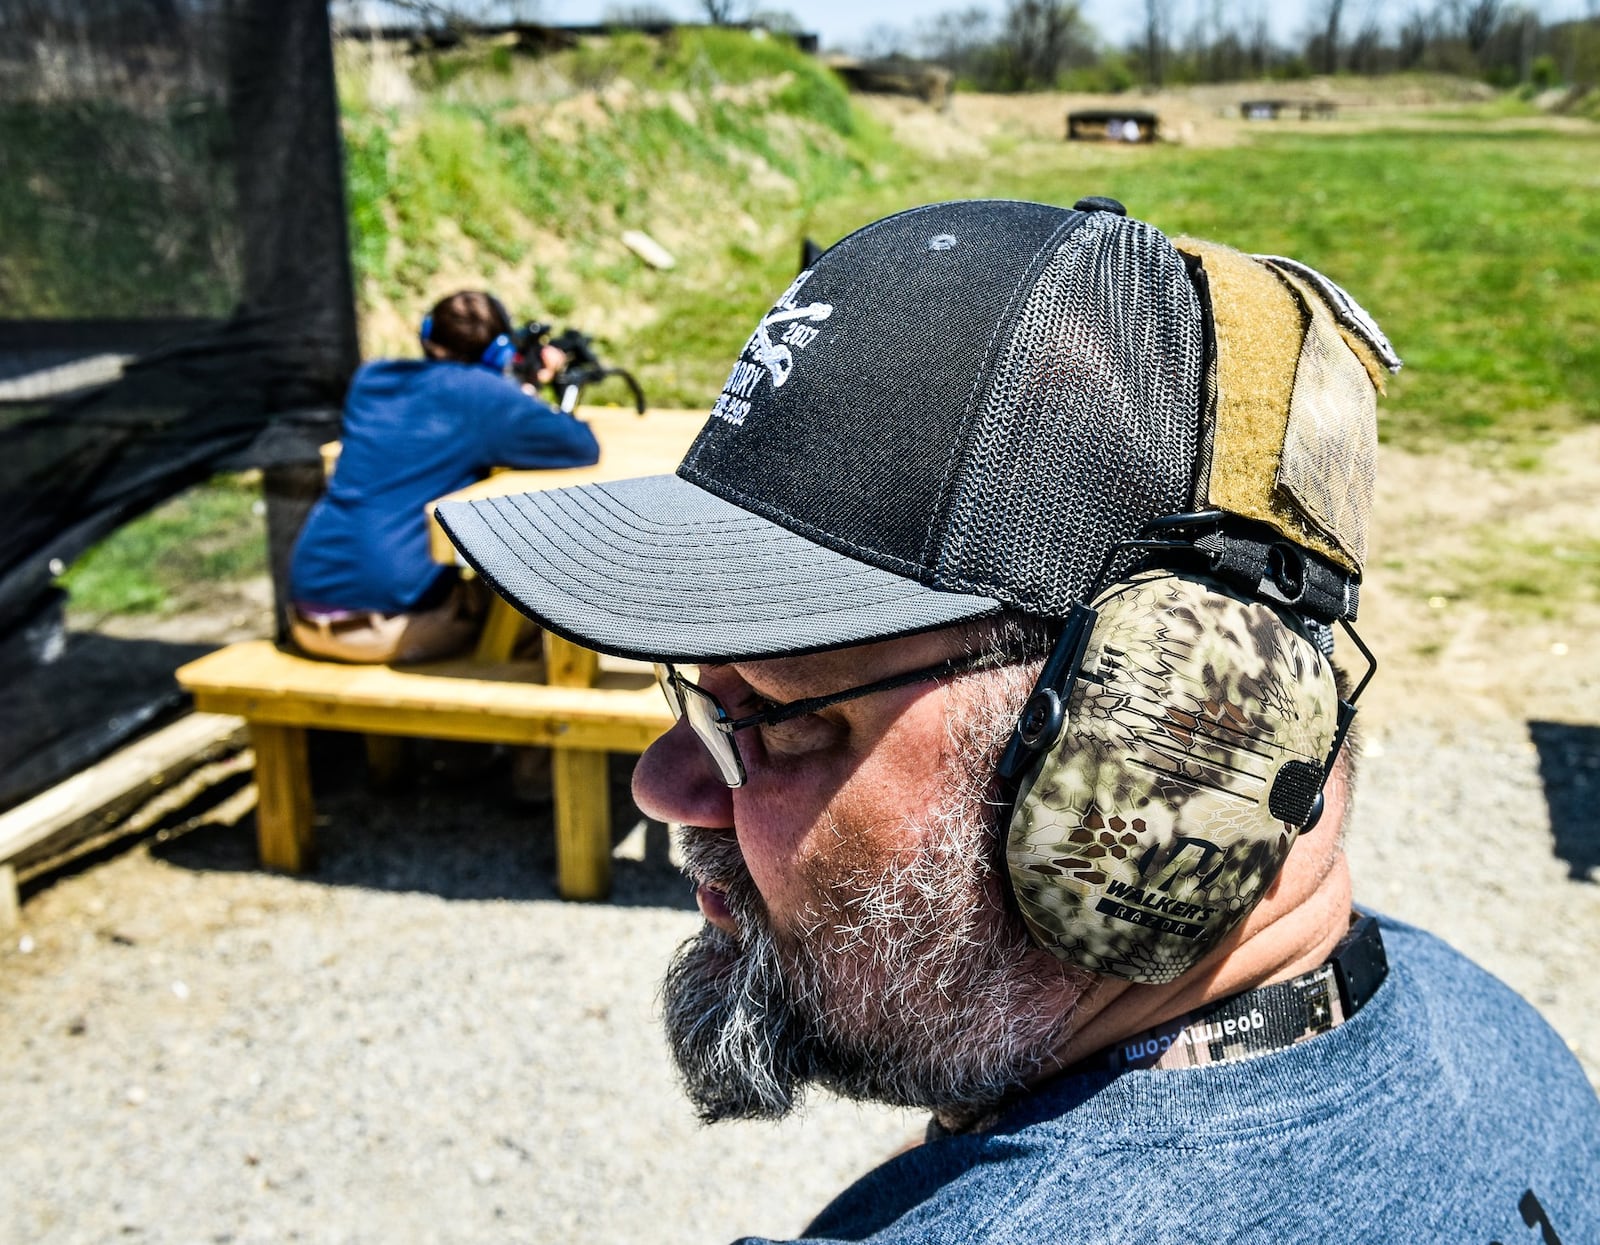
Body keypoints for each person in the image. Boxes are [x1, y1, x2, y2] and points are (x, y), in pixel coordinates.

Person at [437, 199, 1600, 1241]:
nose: (663, 786)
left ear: (1162, 755)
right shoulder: (1499, 1041)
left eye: (779, 719)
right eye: (690, 690)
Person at [287, 290, 599, 663]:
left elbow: (436, 416)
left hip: (305, 612)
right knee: (535, 612)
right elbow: (580, 445)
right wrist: (524, 393)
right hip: (386, 625)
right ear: (499, 352)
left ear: (427, 334)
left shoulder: (372, 379)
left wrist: (511, 390)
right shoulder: (486, 396)